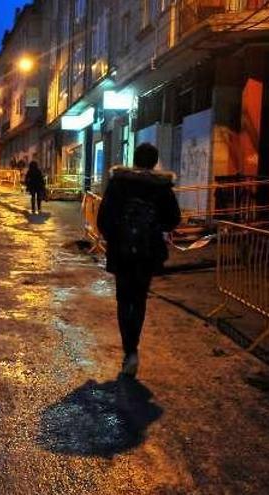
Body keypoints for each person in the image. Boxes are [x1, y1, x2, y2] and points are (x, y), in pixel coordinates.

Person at [96, 143, 180, 377]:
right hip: (147, 253)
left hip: (121, 252)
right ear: (154, 162)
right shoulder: (162, 187)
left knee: (123, 300)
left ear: (134, 160)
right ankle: (133, 349)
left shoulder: (119, 183)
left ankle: (129, 351)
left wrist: (116, 237)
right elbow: (174, 219)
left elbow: (103, 219)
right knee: (139, 299)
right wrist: (154, 229)